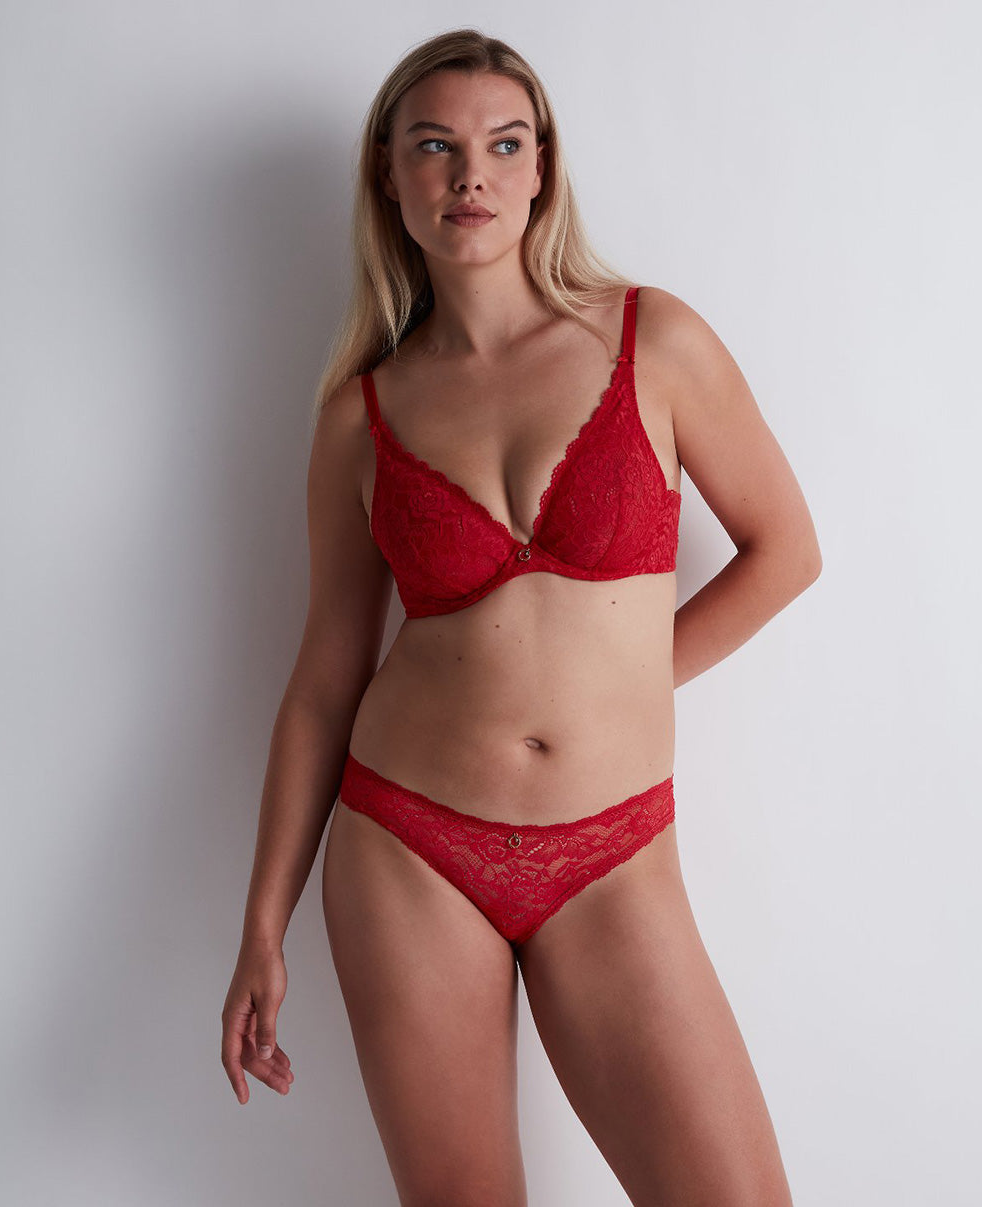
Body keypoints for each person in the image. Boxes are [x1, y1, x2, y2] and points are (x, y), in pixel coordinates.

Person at [221, 27, 820, 1207]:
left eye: (502, 144)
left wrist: (628, 685)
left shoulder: (655, 340)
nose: (469, 175)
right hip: (408, 848)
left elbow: (784, 551)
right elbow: (325, 682)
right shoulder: (360, 416)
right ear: (388, 176)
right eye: (432, 147)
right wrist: (260, 925)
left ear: (542, 167)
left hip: (614, 853)